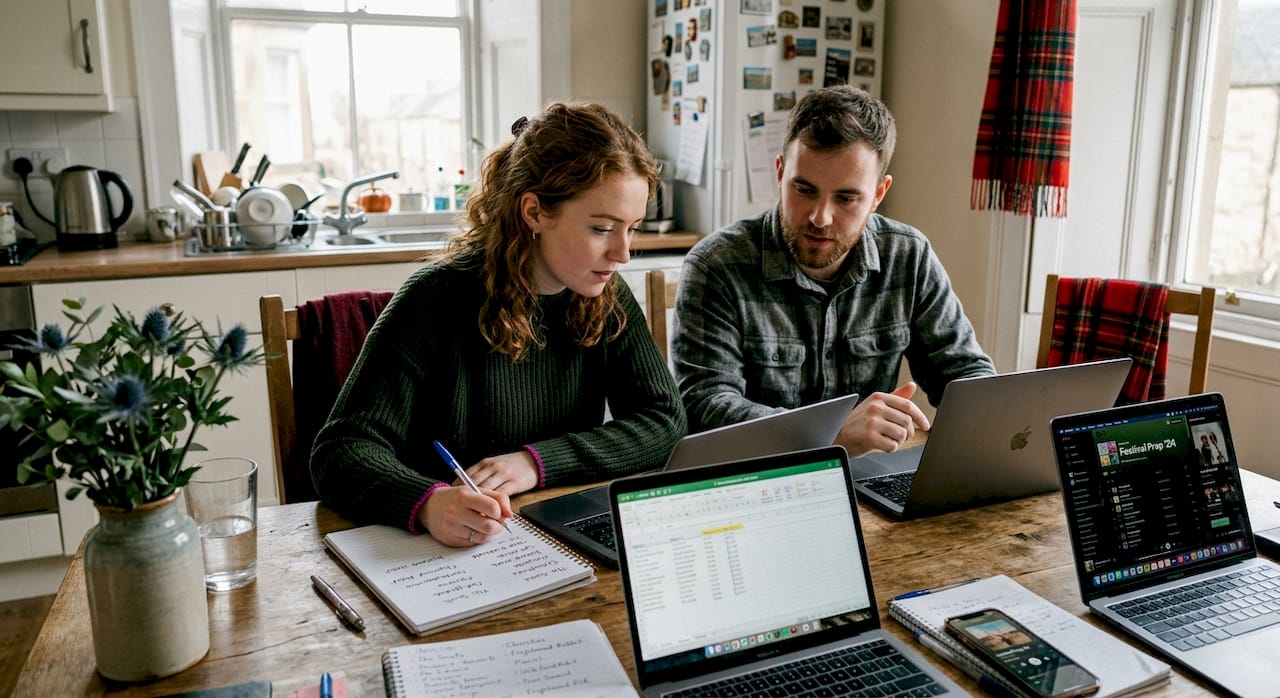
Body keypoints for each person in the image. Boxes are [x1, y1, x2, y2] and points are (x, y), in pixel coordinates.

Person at [312, 102, 686, 546]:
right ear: (534, 213)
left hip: (551, 532)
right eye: (603, 229)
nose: (623, 253)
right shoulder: (434, 299)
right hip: (444, 550)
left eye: (633, 228)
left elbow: (664, 420)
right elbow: (341, 450)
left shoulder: (606, 295)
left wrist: (536, 463)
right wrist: (428, 503)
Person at [672, 85, 994, 457]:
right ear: (780, 173)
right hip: (754, 486)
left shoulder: (909, 256)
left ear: (878, 195)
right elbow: (704, 406)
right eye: (804, 190)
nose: (820, 218)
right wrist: (830, 435)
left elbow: (967, 374)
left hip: (865, 480)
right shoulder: (716, 266)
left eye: (846, 198)